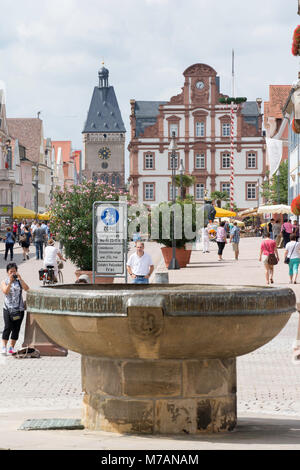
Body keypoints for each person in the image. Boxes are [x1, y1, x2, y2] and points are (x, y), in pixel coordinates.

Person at [1, 262, 29, 355]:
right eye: (10, 271)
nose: (12, 273)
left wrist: (21, 279)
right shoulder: (4, 281)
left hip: (19, 309)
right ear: (7, 272)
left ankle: (11, 348)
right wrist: (10, 282)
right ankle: (4, 347)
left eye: (14, 271)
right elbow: (5, 291)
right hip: (8, 309)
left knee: (16, 328)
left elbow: (27, 289)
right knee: (7, 327)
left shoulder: (19, 281)